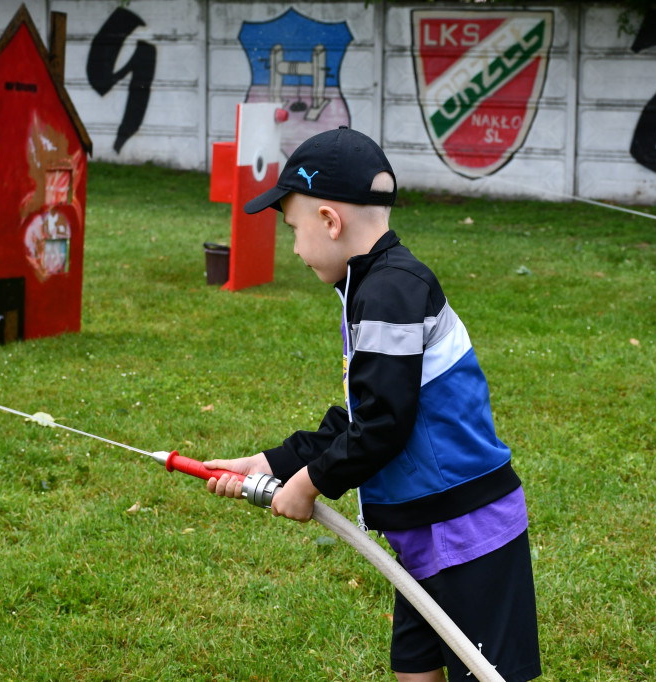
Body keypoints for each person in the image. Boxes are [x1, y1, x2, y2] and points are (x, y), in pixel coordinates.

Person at [203, 127, 541, 682]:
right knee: (414, 668)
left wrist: (308, 483)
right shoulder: (371, 288)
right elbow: (362, 416)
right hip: (425, 530)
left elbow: (384, 425)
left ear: (330, 221)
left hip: (466, 529)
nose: (293, 247)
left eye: (293, 228)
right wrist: (266, 466)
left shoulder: (390, 291)